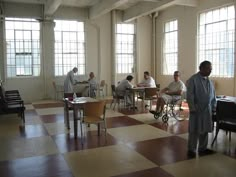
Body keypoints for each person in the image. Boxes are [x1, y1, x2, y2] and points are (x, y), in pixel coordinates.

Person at [186, 61, 216, 156]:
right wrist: (192, 108)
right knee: (194, 129)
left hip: (207, 110)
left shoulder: (210, 81)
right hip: (197, 109)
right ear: (201, 68)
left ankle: (203, 148)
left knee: (205, 129)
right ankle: (192, 149)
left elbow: (213, 95)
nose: (210, 70)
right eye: (208, 68)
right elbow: (189, 95)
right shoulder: (193, 79)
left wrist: (214, 107)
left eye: (211, 69)